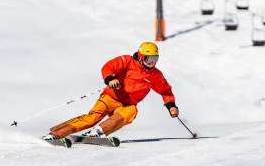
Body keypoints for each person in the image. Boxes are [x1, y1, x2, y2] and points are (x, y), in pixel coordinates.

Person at [43, 42, 179, 140]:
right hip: (110, 98)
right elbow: (108, 67)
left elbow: (166, 91)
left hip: (125, 105)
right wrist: (110, 79)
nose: (152, 63)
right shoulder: (127, 61)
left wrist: (171, 105)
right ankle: (55, 134)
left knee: (132, 111)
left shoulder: (155, 75)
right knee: (91, 118)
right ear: (141, 56)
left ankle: (99, 131)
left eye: (155, 59)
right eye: (149, 59)